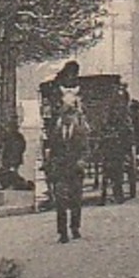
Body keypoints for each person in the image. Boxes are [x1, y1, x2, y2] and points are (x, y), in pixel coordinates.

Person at [47, 100, 90, 243]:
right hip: (60, 170)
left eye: (70, 115)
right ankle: (62, 232)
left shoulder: (80, 131)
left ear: (73, 117)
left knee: (76, 201)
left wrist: (82, 160)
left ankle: (75, 227)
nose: (67, 118)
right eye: (65, 115)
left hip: (75, 170)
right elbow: (52, 151)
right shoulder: (56, 132)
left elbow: (86, 150)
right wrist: (51, 166)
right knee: (60, 201)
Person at [97, 96, 133, 205]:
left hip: (117, 153)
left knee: (116, 176)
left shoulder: (121, 123)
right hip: (109, 153)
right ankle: (106, 197)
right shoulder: (106, 123)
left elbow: (126, 137)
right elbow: (102, 136)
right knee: (108, 176)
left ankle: (117, 196)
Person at [0, 116, 33, 191]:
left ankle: (20, 184)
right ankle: (19, 184)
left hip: (12, 160)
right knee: (11, 172)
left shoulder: (15, 137)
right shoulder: (15, 137)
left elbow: (19, 148)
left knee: (11, 172)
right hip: (12, 160)